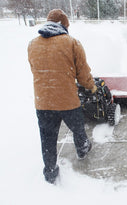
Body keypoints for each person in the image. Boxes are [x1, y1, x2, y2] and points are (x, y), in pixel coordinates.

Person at [28, 9, 97, 184]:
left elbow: (35, 69)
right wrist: (92, 87)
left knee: (48, 138)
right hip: (67, 102)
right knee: (78, 129)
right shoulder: (72, 43)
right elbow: (82, 74)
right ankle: (82, 150)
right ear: (64, 25)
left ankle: (50, 172)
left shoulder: (32, 44)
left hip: (43, 102)